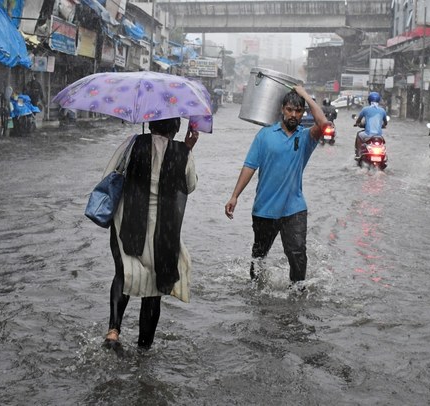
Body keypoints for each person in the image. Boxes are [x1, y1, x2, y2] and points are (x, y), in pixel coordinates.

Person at [103, 117, 199, 350]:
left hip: (128, 223)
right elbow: (190, 185)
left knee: (122, 274)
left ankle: (113, 331)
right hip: (162, 230)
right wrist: (187, 150)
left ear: (151, 122)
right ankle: (143, 350)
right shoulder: (181, 152)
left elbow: (109, 174)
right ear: (176, 128)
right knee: (153, 290)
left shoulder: (132, 143)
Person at [224, 86, 329, 288]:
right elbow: (249, 167)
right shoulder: (264, 135)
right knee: (259, 257)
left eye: (298, 111)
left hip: (294, 208)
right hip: (265, 209)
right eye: (289, 109)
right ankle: (256, 295)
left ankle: (296, 295)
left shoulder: (306, 137)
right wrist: (234, 196)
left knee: (297, 254)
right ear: (282, 109)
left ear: (302, 113)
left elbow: (324, 123)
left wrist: (306, 95)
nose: (293, 114)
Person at [354, 91, 388, 157]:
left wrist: (357, 123)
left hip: (368, 134)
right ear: (379, 100)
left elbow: (358, 121)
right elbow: (385, 123)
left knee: (359, 134)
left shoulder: (365, 109)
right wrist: (383, 125)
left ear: (369, 100)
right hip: (379, 136)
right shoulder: (382, 110)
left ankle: (358, 153)